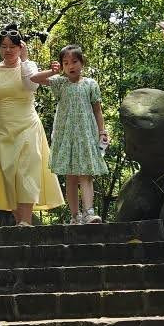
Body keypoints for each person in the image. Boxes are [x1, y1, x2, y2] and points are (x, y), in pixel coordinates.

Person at [0, 26, 65, 226]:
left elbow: (31, 84)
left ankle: (25, 220)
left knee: (27, 171)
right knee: (8, 174)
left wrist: (25, 60)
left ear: (20, 47)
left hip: (28, 124)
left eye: (12, 46)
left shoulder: (29, 66)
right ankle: (20, 222)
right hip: (3, 127)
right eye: (4, 46)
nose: (8, 50)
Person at [32, 45, 107, 224]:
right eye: (65, 63)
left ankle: (89, 212)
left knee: (86, 174)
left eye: (74, 61)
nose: (70, 66)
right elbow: (34, 78)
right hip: (65, 136)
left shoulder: (90, 84)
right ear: (62, 66)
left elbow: (97, 110)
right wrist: (52, 71)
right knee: (71, 177)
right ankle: (75, 216)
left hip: (85, 135)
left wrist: (102, 132)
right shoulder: (60, 83)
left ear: (82, 62)